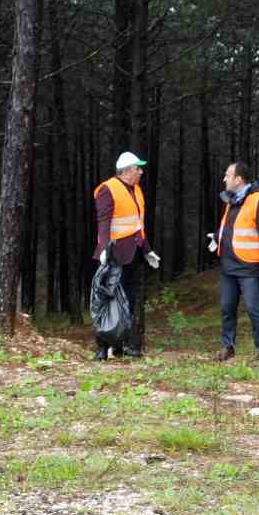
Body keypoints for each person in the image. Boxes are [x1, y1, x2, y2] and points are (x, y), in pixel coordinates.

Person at [93, 150, 159, 360]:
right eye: (138, 168)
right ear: (128, 170)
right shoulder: (108, 189)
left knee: (129, 302)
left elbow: (137, 224)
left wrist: (147, 250)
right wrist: (104, 249)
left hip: (134, 254)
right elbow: (103, 221)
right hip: (114, 255)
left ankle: (125, 346)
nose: (141, 172)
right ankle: (103, 348)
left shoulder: (136, 190)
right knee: (109, 301)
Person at [209, 160, 259, 361]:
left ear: (238, 179)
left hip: (249, 266)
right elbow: (230, 226)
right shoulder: (232, 199)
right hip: (228, 265)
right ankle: (227, 347)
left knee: (253, 307)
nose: (224, 179)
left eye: (227, 175)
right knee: (227, 308)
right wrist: (216, 237)